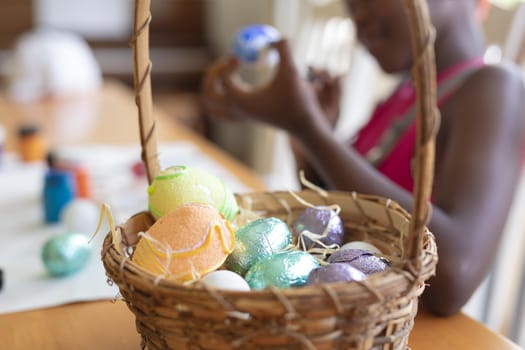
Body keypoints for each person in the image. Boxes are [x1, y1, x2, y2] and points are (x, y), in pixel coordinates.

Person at [201, 0, 525, 316]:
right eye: (351, 7)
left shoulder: (495, 88)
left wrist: (308, 127)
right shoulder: (401, 97)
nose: (358, 17)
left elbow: (455, 274)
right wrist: (311, 142)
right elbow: (340, 228)